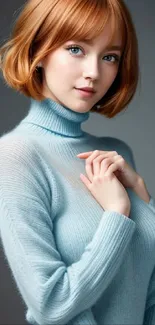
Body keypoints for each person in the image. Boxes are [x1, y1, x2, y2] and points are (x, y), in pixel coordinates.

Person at [0, 0, 155, 324]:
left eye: (109, 56)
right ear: (38, 49)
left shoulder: (117, 153)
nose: (94, 73)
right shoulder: (15, 156)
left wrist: (143, 198)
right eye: (76, 49)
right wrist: (117, 215)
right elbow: (51, 305)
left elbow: (146, 288)